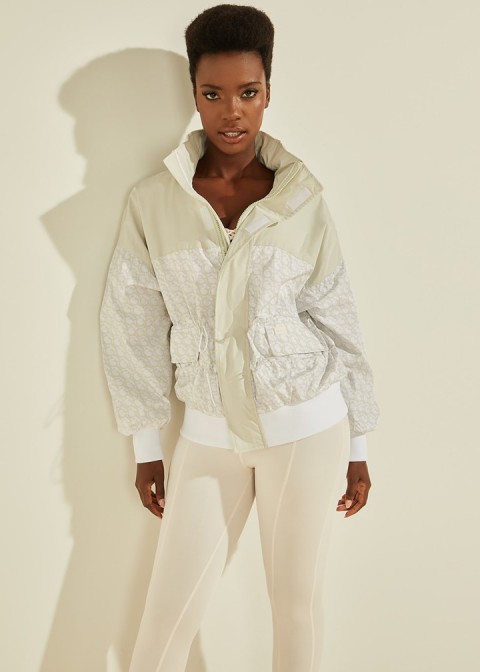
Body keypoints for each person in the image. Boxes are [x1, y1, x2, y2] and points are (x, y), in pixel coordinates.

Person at [99, 4, 380, 670]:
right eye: (213, 94)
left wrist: (358, 441)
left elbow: (336, 316)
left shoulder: (302, 199)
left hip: (307, 425)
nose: (231, 112)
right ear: (194, 95)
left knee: (295, 608)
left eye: (248, 93)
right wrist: (146, 447)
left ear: (268, 93)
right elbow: (131, 325)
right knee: (164, 623)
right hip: (207, 433)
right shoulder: (153, 203)